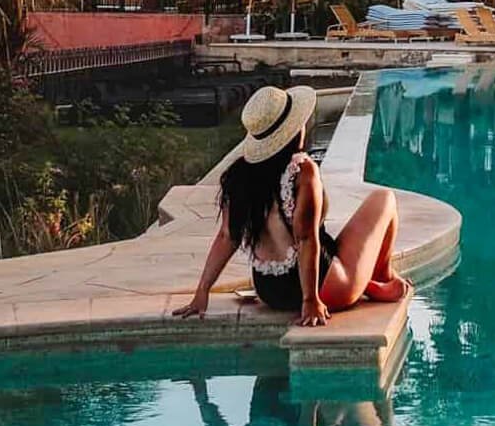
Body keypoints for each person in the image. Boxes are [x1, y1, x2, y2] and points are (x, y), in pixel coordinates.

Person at [174, 85, 408, 327]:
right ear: (295, 131)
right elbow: (306, 238)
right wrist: (310, 300)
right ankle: (382, 276)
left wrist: (202, 291)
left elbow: (226, 237)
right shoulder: (301, 171)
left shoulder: (238, 177)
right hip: (325, 286)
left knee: (336, 242)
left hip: (269, 290)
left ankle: (367, 281)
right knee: (384, 199)